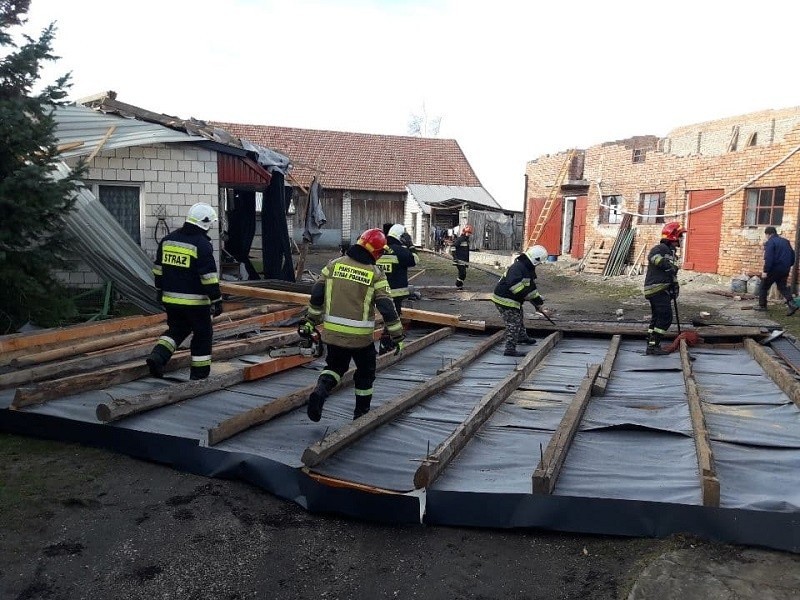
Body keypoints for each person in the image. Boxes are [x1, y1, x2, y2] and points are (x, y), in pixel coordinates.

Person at [302, 228, 405, 422]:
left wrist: (310, 320)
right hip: (361, 339)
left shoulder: (333, 266)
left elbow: (317, 294)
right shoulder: (375, 274)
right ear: (377, 252)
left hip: (332, 334)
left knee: (335, 367)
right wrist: (397, 336)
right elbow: (387, 308)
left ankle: (321, 390)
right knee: (365, 374)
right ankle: (361, 415)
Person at [146, 203, 223, 380]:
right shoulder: (202, 245)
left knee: (177, 330)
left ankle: (157, 357)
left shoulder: (168, 240)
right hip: (195, 303)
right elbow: (208, 277)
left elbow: (158, 270)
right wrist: (217, 299)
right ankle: (199, 376)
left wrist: (159, 291)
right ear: (205, 223)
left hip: (171, 300)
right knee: (203, 335)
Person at [491, 245, 547, 357]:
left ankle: (522, 337)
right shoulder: (518, 268)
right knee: (513, 323)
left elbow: (530, 288)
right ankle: (510, 349)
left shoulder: (527, 267)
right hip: (504, 300)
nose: (540, 264)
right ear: (536, 260)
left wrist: (538, 303)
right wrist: (526, 295)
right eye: (540, 262)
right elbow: (516, 287)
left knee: (519, 315)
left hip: (512, 300)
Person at [643, 221, 685, 355]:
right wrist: (666, 264)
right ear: (673, 237)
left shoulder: (672, 253)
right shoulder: (660, 248)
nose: (681, 239)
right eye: (680, 236)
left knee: (657, 317)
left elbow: (671, 273)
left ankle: (651, 342)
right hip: (657, 288)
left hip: (661, 289)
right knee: (666, 318)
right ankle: (653, 347)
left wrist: (675, 287)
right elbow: (653, 258)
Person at [376, 224, 418, 354]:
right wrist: (411, 245)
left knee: (383, 317)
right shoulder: (401, 251)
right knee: (393, 319)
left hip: (377, 291)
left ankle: (385, 341)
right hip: (395, 294)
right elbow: (415, 260)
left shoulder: (378, 249)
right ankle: (387, 342)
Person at [756, 226, 797, 315]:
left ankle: (762, 306)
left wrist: (765, 271)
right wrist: (788, 265)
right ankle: (792, 304)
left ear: (768, 234)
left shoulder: (770, 242)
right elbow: (792, 255)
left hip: (774, 269)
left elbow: (769, 258)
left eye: (766, 235)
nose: (766, 237)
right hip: (785, 269)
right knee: (782, 287)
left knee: (763, 286)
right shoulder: (786, 241)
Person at [451, 224, 473, 288]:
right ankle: (458, 285)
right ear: (464, 232)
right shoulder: (460, 239)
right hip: (459, 259)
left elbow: (465, 251)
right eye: (468, 232)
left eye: (470, 233)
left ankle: (459, 285)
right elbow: (453, 246)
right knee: (462, 273)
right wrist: (455, 257)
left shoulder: (466, 240)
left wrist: (467, 261)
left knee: (463, 274)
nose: (469, 234)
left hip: (464, 260)